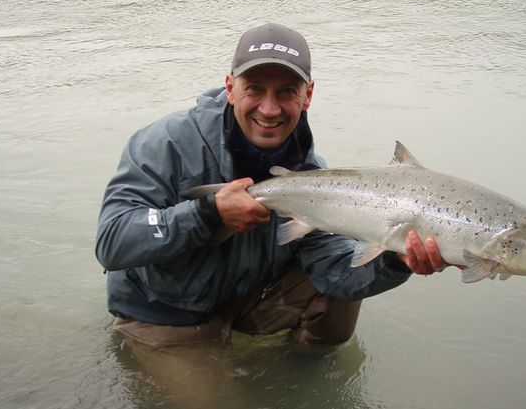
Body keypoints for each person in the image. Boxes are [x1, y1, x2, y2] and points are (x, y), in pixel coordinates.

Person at [96, 23, 449, 350]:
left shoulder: (312, 173)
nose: (269, 108)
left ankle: (298, 367)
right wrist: (207, 213)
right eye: (254, 89)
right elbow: (111, 243)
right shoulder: (164, 144)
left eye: (286, 92)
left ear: (308, 95)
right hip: (165, 312)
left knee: (340, 296)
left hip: (247, 297)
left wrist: (397, 261)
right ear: (230, 87)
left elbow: (338, 272)